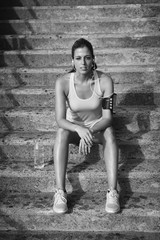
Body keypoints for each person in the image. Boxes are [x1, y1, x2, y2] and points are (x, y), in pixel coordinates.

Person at [53, 38, 120, 214]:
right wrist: (79, 129)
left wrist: (89, 131)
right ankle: (60, 192)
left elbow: (107, 118)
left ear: (93, 59)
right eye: (78, 58)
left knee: (110, 133)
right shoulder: (63, 82)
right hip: (75, 129)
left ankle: (112, 192)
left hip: (96, 129)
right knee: (61, 132)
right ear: (72, 61)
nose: (83, 62)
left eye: (87, 57)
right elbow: (60, 119)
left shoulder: (105, 81)